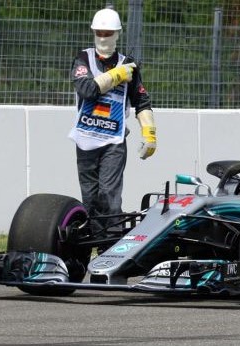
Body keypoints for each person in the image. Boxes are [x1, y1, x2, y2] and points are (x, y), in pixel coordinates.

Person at [69, 8, 157, 232]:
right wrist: (116, 75)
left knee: (109, 196)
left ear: (117, 34)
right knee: (89, 199)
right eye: (99, 32)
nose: (102, 37)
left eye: (108, 33)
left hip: (114, 142)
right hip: (86, 140)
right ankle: (84, 249)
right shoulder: (83, 58)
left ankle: (110, 247)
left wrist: (149, 133)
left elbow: (142, 100)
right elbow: (87, 89)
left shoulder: (130, 64)